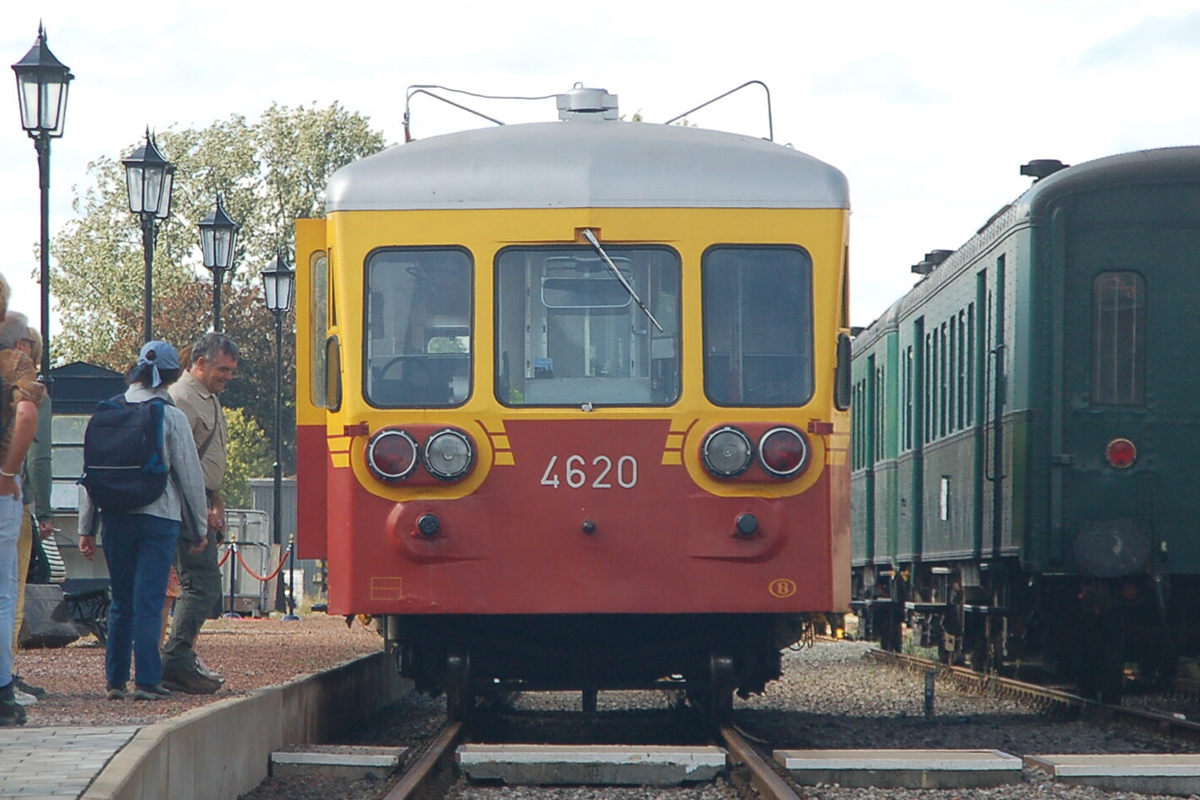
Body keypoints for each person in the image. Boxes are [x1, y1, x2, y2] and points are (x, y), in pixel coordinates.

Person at [78, 341, 208, 701]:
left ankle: (115, 681)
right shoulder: (171, 416)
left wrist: (86, 528)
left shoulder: (106, 412)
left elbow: (91, 474)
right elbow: (190, 477)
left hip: (115, 518)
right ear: (170, 375)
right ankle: (148, 680)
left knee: (121, 600)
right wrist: (198, 528)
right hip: (158, 518)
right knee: (149, 600)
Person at [162, 333, 239, 694]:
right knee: (201, 583)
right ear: (200, 362)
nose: (228, 376)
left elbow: (205, 457)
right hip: (187, 504)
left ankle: (180, 657)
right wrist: (198, 509)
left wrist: (215, 498)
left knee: (201, 584)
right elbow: (178, 463)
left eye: (231, 370)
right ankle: (175, 660)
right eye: (222, 369)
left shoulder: (206, 396)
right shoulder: (182, 397)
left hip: (202, 500)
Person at [0, 315, 52, 707]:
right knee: (9, 593)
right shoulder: (20, 378)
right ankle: (6, 679)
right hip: (8, 492)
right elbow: (40, 456)